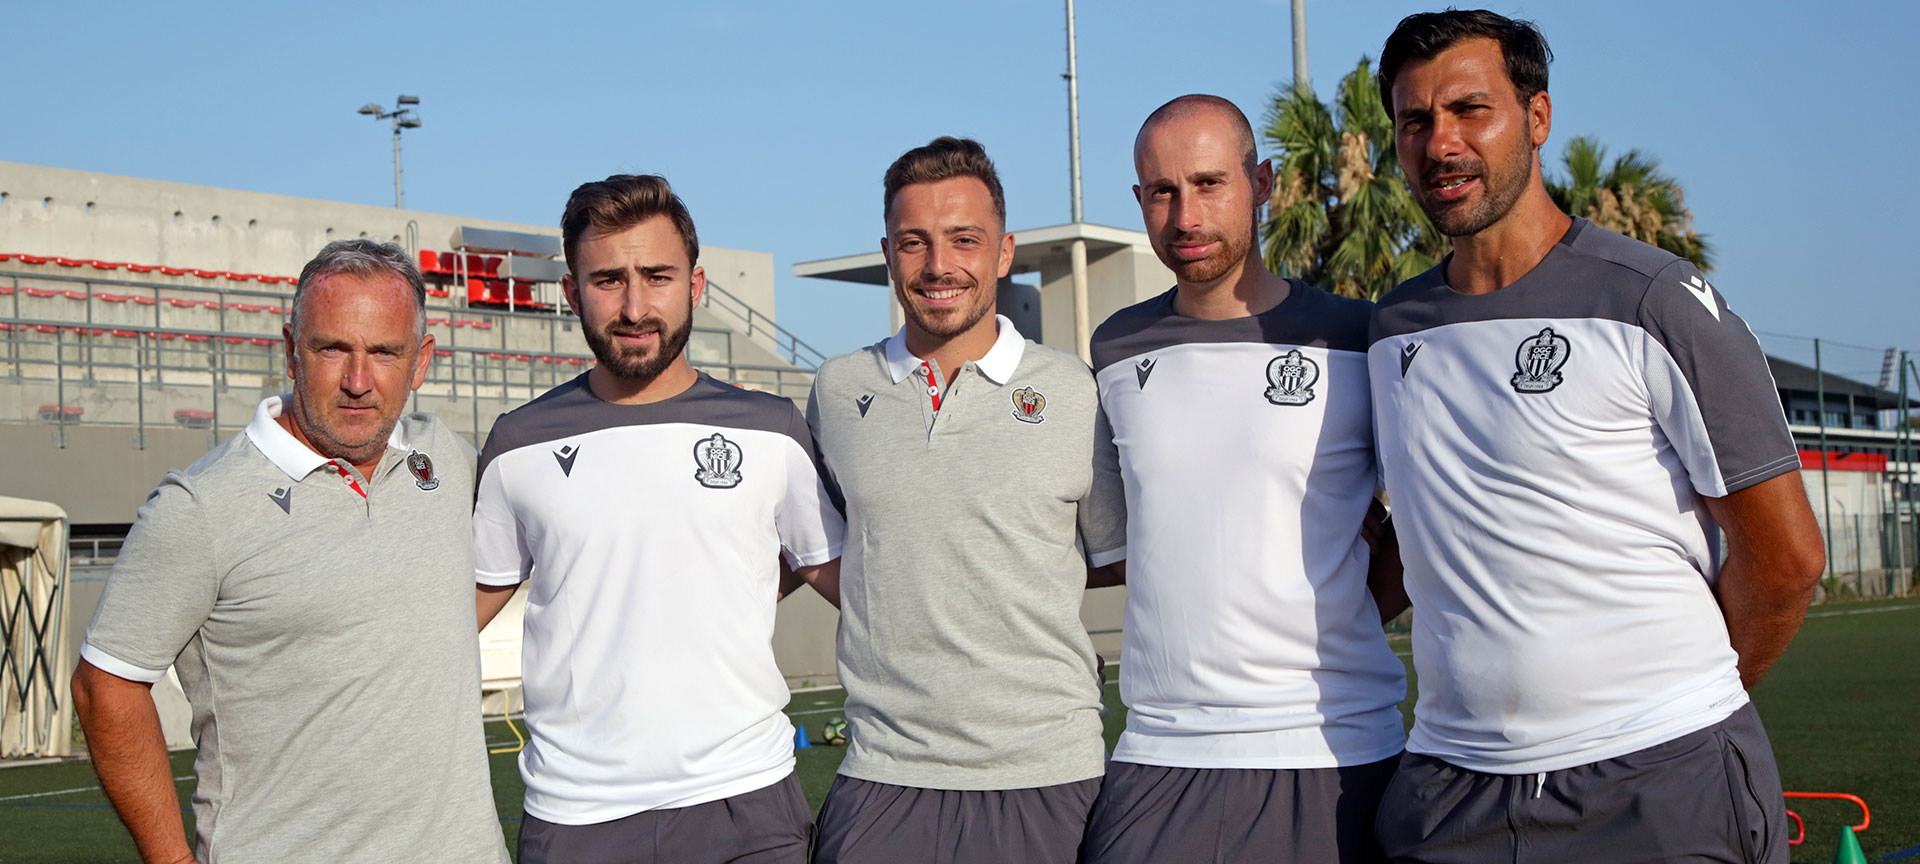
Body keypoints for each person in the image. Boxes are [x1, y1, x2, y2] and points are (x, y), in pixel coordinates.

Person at [1367, 10, 1825, 863]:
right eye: (1415, 121)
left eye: (1473, 110)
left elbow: (1788, 559)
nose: (1441, 144)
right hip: (1450, 789)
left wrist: (1673, 715)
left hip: (1656, 783)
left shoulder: (1653, 300)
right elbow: (1422, 527)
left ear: (1537, 118)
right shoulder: (1392, 329)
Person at [70, 239, 509, 864]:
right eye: (333, 348)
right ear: (291, 349)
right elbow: (103, 686)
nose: (359, 381)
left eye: (385, 352)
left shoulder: (444, 458)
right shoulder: (201, 506)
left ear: (421, 362)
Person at [1076, 94, 1410, 864]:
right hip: (1162, 749)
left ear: (1261, 182)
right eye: (1162, 192)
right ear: (1139, 201)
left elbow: (1428, 524)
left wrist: (1341, 602)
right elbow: (1143, 533)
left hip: (1332, 744)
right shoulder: (1119, 347)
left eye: (1208, 184)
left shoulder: (1359, 337)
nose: (1185, 215)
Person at [472, 174, 843, 864]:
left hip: (747, 805)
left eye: (658, 276)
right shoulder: (517, 444)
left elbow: (850, 582)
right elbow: (460, 611)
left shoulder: (772, 431)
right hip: (577, 818)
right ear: (572, 293)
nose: (636, 306)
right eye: (609, 280)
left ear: (695, 286)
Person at [804, 137, 1126, 864]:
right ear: (887, 252)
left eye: (963, 240)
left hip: (1047, 772)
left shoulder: (1074, 391)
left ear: (1004, 252)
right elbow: (829, 553)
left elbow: (1110, 558)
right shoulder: (836, 389)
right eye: (914, 243)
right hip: (883, 773)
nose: (938, 266)